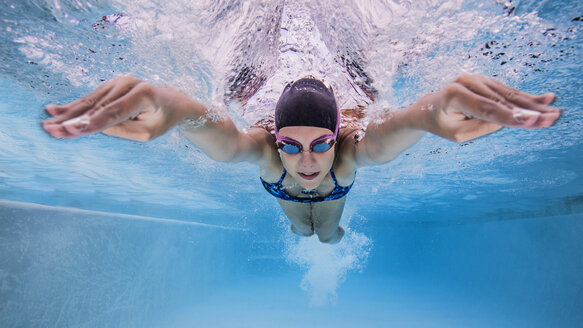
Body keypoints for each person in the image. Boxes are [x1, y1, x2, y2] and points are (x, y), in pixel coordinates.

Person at [42, 73, 560, 243]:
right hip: (284, 200)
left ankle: (332, 239)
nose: (307, 161)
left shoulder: (347, 159)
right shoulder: (266, 155)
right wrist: (177, 109)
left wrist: (427, 115)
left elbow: (387, 134)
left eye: (321, 143)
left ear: (339, 138)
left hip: (334, 202)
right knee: (299, 230)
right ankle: (309, 238)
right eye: (289, 144)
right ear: (276, 138)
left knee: (325, 233)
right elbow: (226, 140)